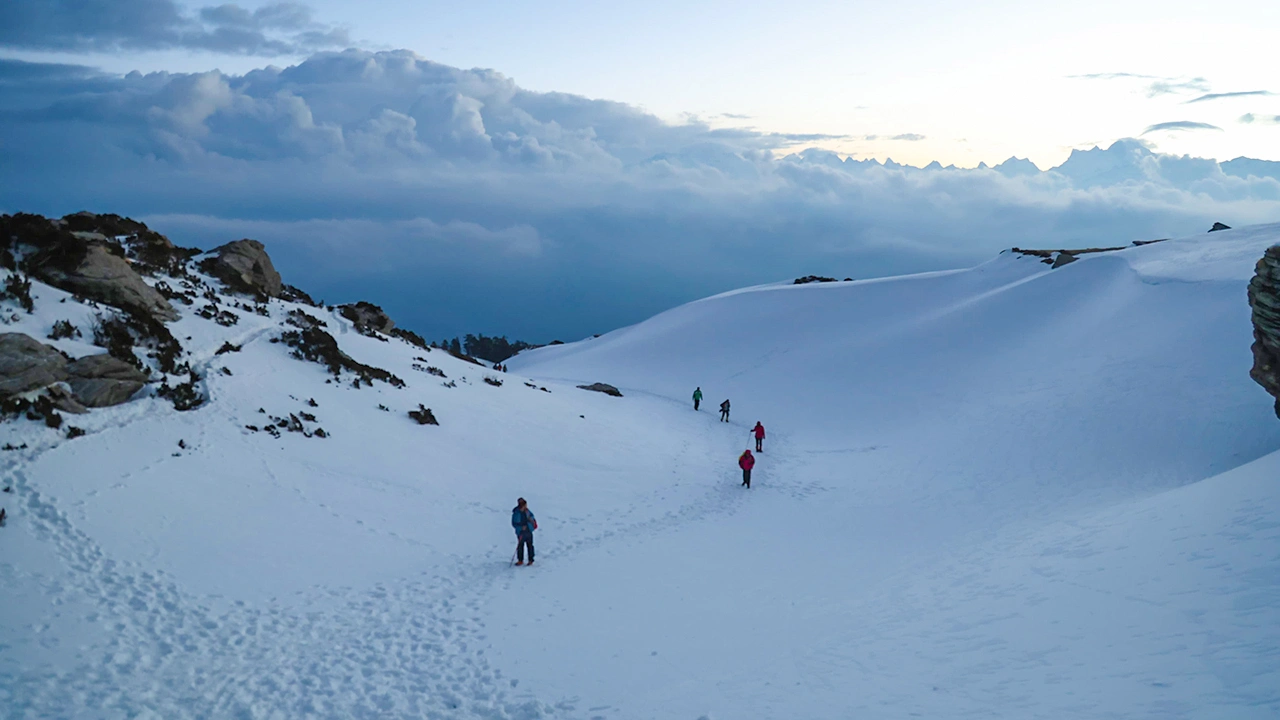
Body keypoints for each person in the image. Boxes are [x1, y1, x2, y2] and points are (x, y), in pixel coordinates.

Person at [511, 497, 537, 565]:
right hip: (521, 532)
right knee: (520, 546)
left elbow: (532, 517)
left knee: (530, 546)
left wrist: (530, 520)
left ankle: (531, 560)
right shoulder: (516, 513)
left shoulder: (527, 511)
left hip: (528, 531)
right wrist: (521, 528)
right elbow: (514, 523)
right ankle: (520, 560)